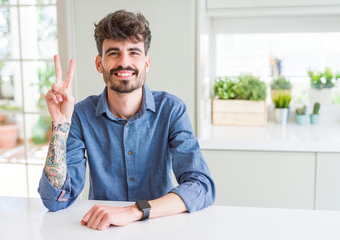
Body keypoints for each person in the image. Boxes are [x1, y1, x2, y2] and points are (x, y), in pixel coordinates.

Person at [38, 10, 215, 231]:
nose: (124, 62)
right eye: (113, 53)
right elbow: (56, 200)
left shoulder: (172, 110)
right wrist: (59, 126)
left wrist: (133, 211)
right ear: (99, 63)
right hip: (100, 231)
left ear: (147, 62)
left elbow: (201, 186)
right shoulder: (80, 115)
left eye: (134, 52)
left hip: (161, 228)